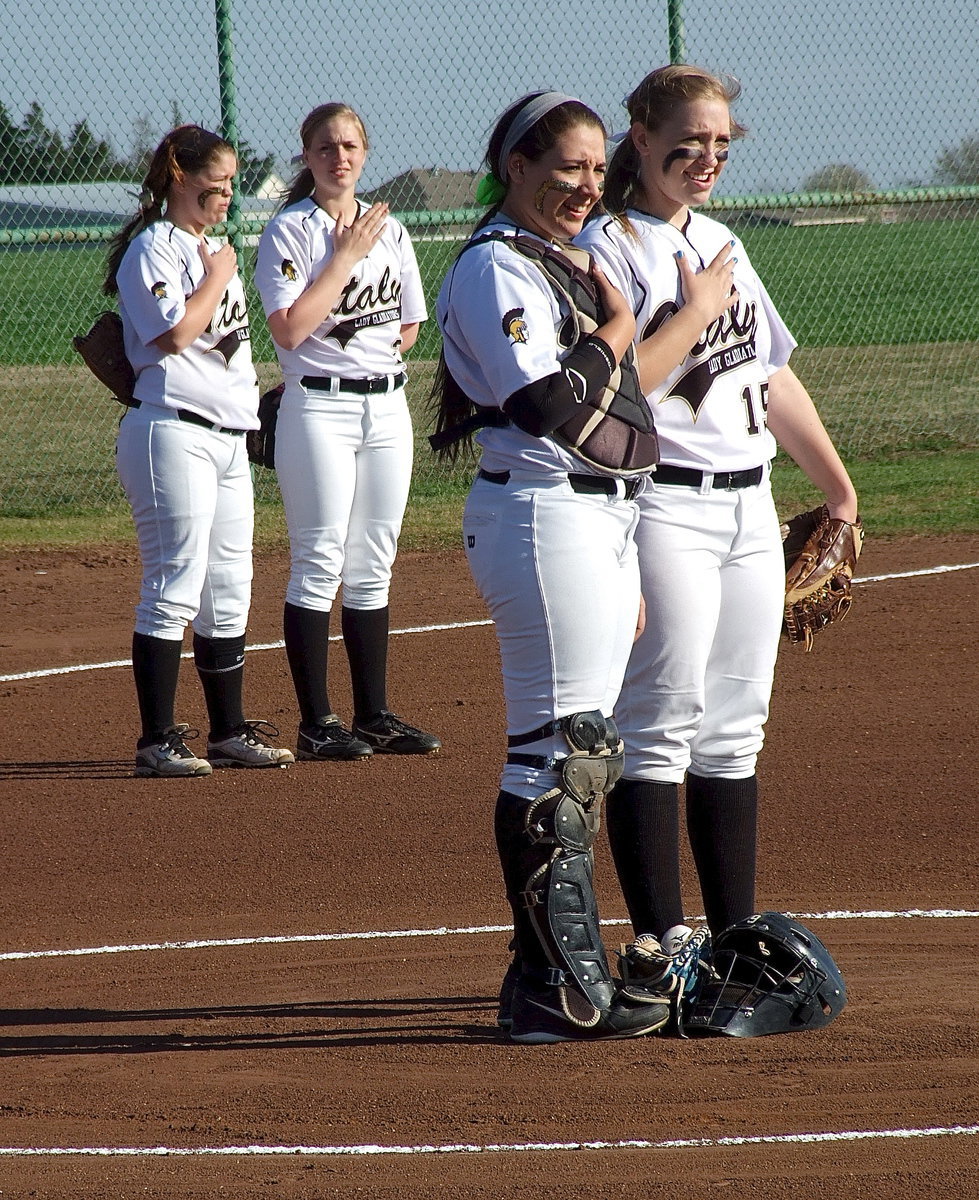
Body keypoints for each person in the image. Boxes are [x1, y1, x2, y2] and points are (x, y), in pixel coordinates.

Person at [432, 92, 725, 1043]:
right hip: (538, 512)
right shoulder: (495, 267)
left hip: (589, 522)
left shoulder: (558, 257)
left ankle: (556, 974)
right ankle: (552, 985)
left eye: (597, 168)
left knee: (582, 752)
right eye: (566, 167)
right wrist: (613, 331)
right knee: (555, 752)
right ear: (515, 166)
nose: (586, 185)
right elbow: (544, 407)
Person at [576, 65, 859, 976]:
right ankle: (661, 942)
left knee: (736, 727)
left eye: (720, 145)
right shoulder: (607, 246)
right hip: (662, 508)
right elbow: (616, 388)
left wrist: (838, 486)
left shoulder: (724, 239)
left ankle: (731, 938)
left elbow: (766, 375)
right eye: (688, 141)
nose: (704, 158)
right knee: (660, 719)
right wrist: (693, 313)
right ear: (639, 136)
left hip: (747, 506)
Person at [104, 125, 295, 777]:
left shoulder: (211, 250)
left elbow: (226, 349)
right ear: (180, 175)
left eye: (235, 181)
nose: (229, 193)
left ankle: (226, 731)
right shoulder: (154, 248)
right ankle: (156, 739)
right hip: (172, 433)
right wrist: (217, 274)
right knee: (174, 580)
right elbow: (175, 332)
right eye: (220, 180)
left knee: (229, 585)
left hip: (226, 440)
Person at [255, 103, 440, 761]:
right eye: (327, 146)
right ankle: (316, 722)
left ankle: (374, 715)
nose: (340, 156)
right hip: (320, 409)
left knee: (373, 563)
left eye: (351, 145)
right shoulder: (290, 230)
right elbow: (288, 328)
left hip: (386, 407)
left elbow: (410, 324)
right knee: (317, 560)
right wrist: (344, 258)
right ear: (306, 156)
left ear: (366, 153)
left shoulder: (391, 231)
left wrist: (367, 341)